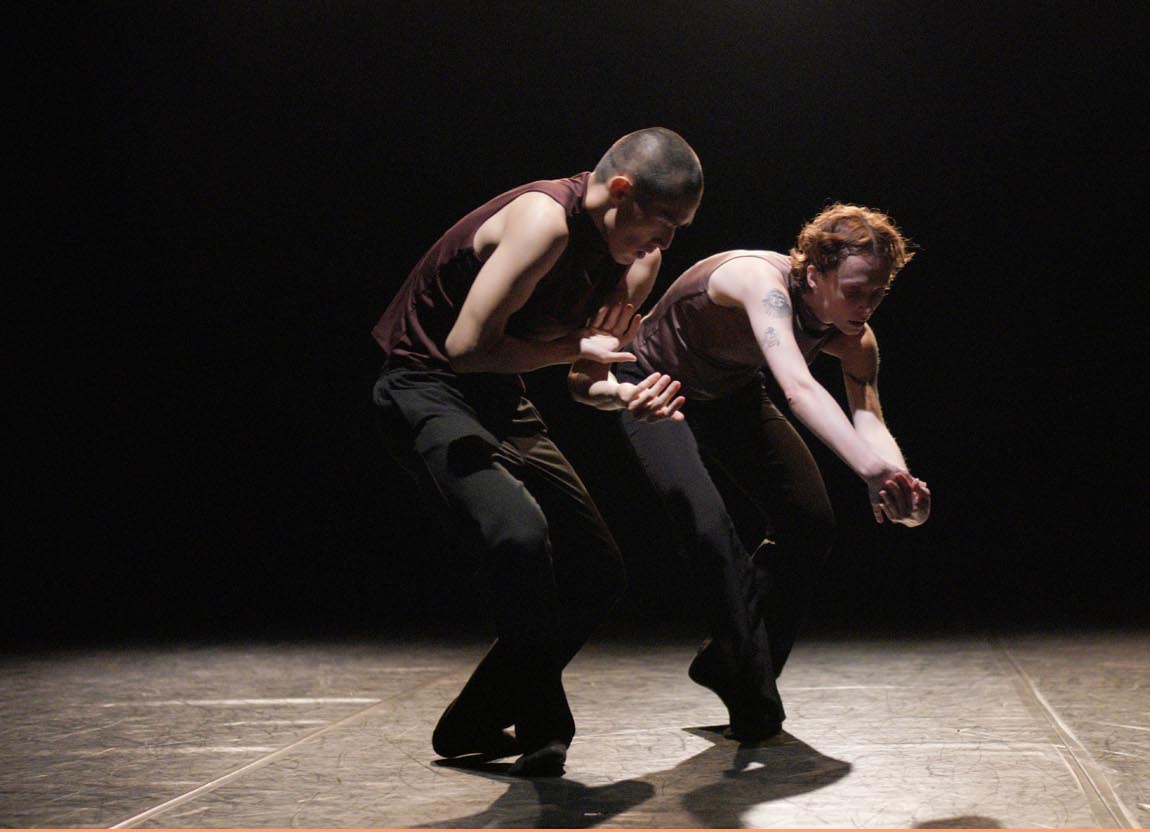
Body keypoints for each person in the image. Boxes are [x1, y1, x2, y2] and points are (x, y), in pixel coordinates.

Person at [371, 127, 700, 776]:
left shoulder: (637, 264)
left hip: (500, 395)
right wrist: (577, 348)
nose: (663, 244)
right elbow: (465, 348)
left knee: (598, 570)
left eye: (677, 230)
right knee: (518, 533)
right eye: (662, 223)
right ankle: (545, 725)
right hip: (423, 384)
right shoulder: (544, 223)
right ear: (621, 191)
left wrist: (621, 395)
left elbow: (584, 381)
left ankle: (472, 719)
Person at [571, 203, 931, 741]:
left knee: (810, 522)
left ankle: (728, 662)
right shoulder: (759, 281)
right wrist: (869, 471)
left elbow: (868, 415)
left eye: (878, 294)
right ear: (814, 273)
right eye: (855, 292)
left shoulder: (855, 335)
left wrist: (897, 478)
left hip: (730, 392)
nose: (866, 308)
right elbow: (798, 387)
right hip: (655, 387)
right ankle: (751, 688)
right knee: (709, 528)